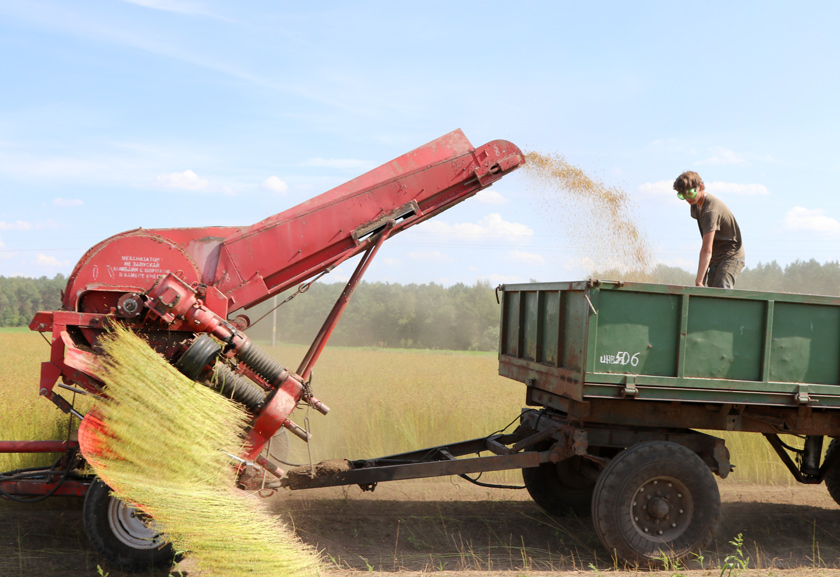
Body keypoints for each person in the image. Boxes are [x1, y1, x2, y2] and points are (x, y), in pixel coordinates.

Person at [673, 171, 745, 288]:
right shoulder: (695, 205)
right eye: (682, 195)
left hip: (731, 255)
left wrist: (699, 281)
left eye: (690, 193)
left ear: (700, 187)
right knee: (710, 293)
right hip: (716, 256)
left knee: (720, 291)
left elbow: (706, 250)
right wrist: (702, 277)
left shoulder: (710, 211)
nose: (687, 198)